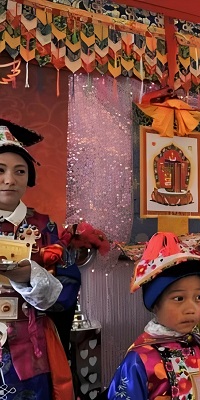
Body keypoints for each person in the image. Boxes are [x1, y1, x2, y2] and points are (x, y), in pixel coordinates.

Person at [0, 120, 77, 399]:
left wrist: (31, 278)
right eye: (1, 170)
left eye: (19, 171)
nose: (10, 180)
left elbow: (69, 286)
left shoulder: (44, 227)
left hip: (31, 345)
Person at [107, 232, 200, 399]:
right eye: (179, 298)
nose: (191, 308)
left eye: (199, 297)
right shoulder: (141, 359)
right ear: (155, 303)